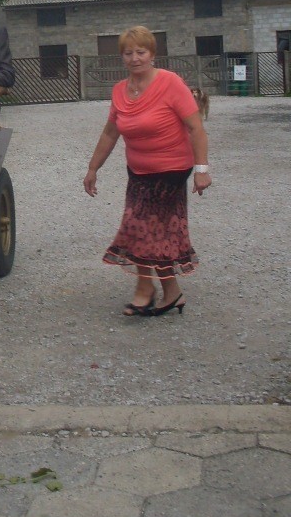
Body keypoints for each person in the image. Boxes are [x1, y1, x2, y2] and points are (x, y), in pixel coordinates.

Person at [83, 26, 212, 318]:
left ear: (152, 54)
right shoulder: (120, 90)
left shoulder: (170, 83)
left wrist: (202, 170)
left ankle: (145, 290)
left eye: (141, 52)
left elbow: (196, 128)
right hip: (138, 171)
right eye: (128, 53)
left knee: (139, 227)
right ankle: (171, 292)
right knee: (157, 233)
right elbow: (109, 133)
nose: (134, 58)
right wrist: (93, 168)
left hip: (172, 169)